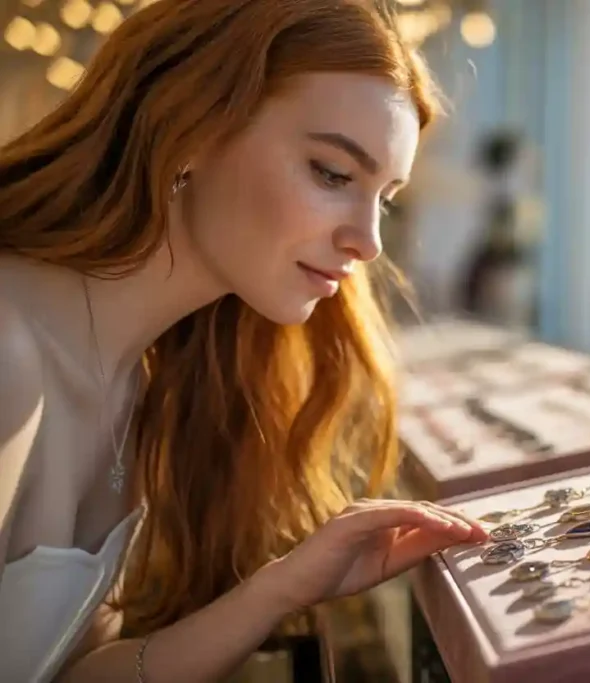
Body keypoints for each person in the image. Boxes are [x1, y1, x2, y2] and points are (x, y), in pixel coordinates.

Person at [0, 1, 488, 681]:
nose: (369, 242)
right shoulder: (10, 350)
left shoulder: (139, 378)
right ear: (190, 128)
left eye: (386, 198)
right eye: (332, 173)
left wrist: (281, 588)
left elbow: (76, 673)